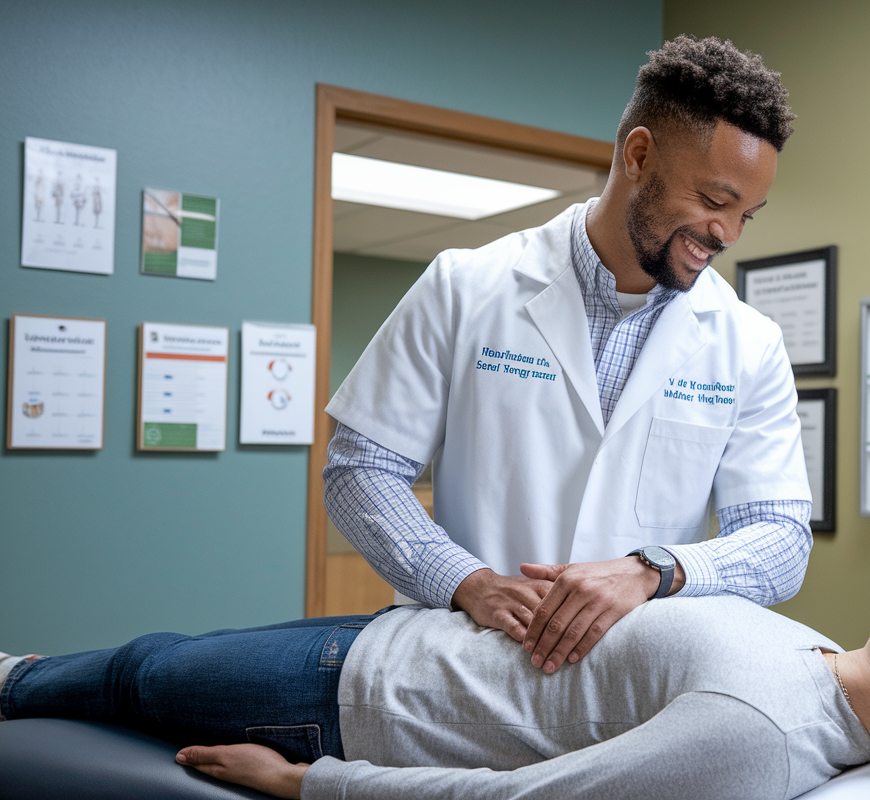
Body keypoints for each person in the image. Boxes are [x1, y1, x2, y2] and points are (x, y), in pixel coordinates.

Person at [325, 34, 812, 677]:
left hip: (634, 675)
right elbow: (360, 468)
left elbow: (781, 539)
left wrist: (652, 572)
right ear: (639, 154)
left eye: (747, 215)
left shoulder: (749, 343)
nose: (726, 234)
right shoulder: (465, 287)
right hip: (463, 661)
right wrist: (469, 582)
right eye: (714, 201)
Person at [0, 580, 870, 799]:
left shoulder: (755, 737)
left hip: (350, 706)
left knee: (138, 672)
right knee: (150, 651)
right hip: (403, 640)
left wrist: (307, 782)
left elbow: (533, 797)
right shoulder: (818, 658)